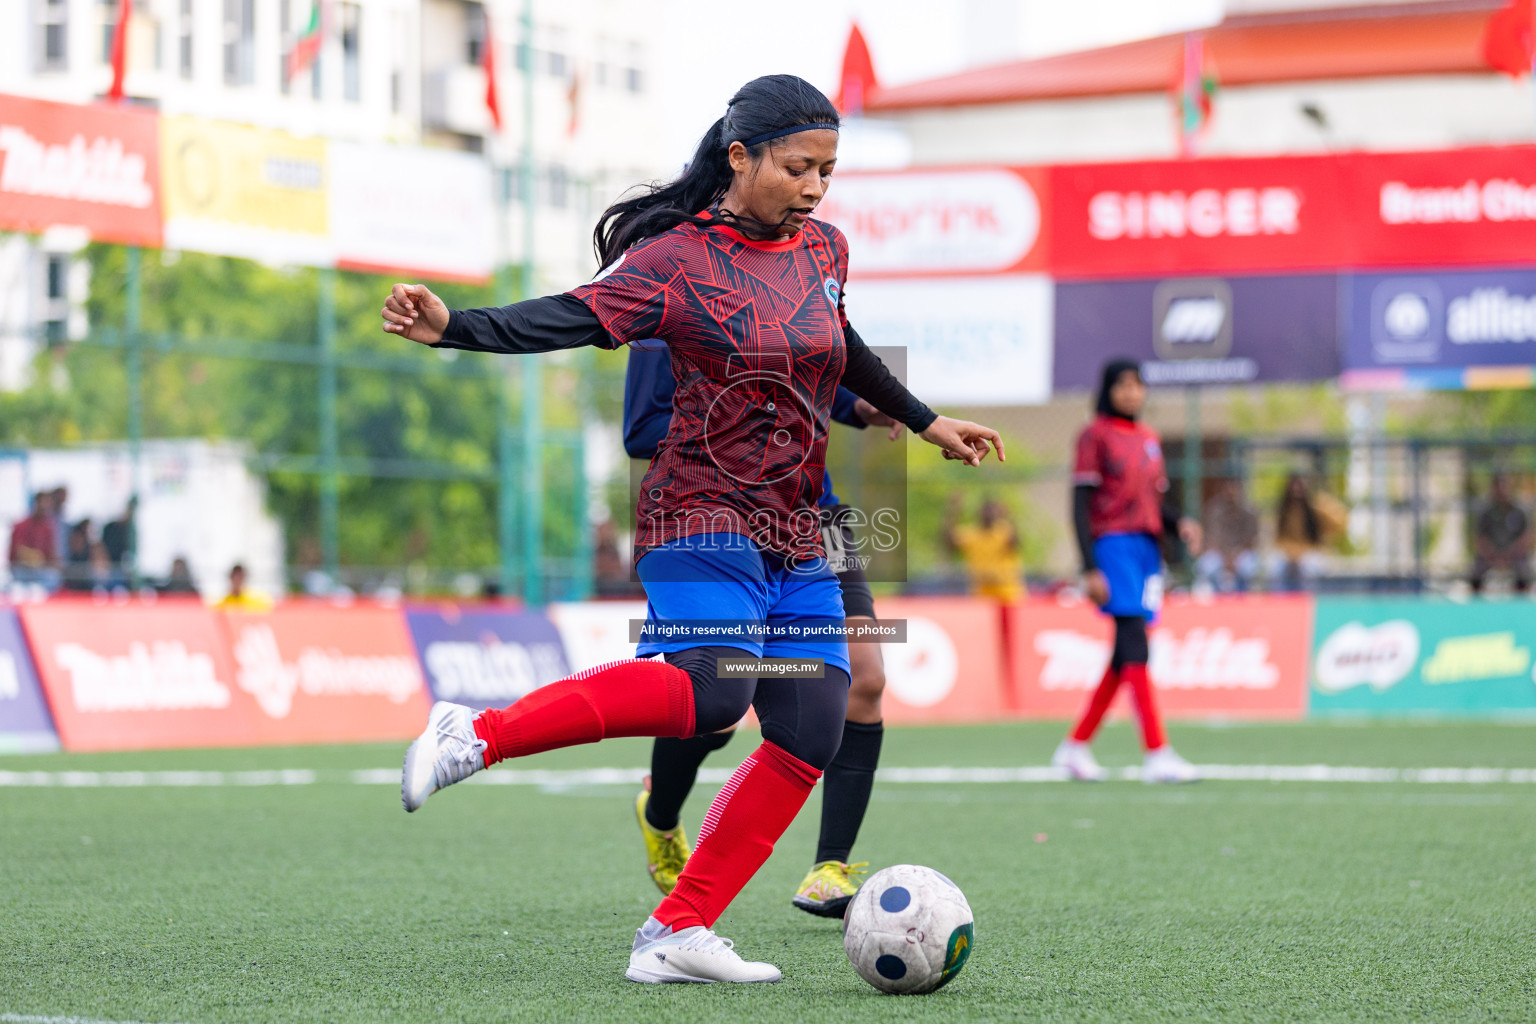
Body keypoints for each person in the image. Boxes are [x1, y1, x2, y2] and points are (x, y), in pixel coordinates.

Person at [382, 75, 1003, 985]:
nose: (817, 187)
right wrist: (453, 329)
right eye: (800, 167)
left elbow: (843, 344)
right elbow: (572, 314)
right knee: (714, 691)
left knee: (811, 724)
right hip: (699, 511)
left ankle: (678, 929)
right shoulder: (674, 260)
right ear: (741, 157)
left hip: (796, 526)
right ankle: (472, 734)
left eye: (828, 170)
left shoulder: (825, 248)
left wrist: (923, 420)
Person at [622, 337, 901, 917]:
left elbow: (815, 375)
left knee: (867, 679)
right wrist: (746, 426)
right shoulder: (669, 304)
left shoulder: (790, 283)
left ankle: (829, 868)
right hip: (723, 522)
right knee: (718, 705)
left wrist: (861, 405)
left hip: (818, 519)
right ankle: (661, 813)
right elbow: (641, 430)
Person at [1052, 359, 1202, 785]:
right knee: (1135, 641)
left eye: (1138, 385)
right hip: (1112, 546)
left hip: (1146, 549)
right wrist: (1088, 566)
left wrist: (1179, 523)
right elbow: (1080, 504)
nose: (1132, 393)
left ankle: (1074, 747)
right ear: (1108, 389)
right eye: (1123, 385)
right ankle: (1157, 753)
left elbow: (1152, 501)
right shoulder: (1094, 435)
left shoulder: (1149, 438)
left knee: (1125, 654)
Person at [1269, 473, 1346, 591]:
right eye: (1294, 486)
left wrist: (1324, 500)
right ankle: (1280, 601)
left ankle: (1307, 599)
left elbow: (1341, 522)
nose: (1296, 490)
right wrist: (1292, 555)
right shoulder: (1282, 510)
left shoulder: (1316, 508)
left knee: (1308, 567)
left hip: (1311, 552)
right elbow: (1278, 539)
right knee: (1275, 566)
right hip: (1288, 554)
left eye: (1300, 486)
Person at [944, 494, 1025, 602]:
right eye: (986, 511)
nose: (988, 515)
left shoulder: (1003, 530)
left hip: (1008, 593)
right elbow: (949, 541)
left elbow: (1016, 543)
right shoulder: (971, 534)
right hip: (982, 594)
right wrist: (953, 511)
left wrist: (1008, 516)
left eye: (992, 512)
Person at [1470, 472, 1532, 594]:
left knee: (1524, 573)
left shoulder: (1519, 510)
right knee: (1476, 573)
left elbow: (1526, 538)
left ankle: (1520, 606)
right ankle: (1476, 607)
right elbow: (1479, 538)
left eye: (1505, 486)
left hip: (1514, 555)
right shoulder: (1486, 511)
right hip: (1490, 555)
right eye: (1499, 486)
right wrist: (1492, 554)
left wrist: (1510, 554)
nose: (1502, 490)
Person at [1195, 479, 1259, 593]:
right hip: (1220, 554)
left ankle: (1245, 596)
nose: (1230, 492)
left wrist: (1234, 557)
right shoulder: (1213, 510)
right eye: (1227, 488)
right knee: (1207, 565)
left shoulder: (1247, 512)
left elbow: (1250, 540)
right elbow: (1211, 539)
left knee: (1249, 566)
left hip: (1239, 554)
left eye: (1234, 489)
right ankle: (1212, 598)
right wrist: (1225, 558)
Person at [7, 492, 57, 589]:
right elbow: (17, 551)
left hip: (40, 571)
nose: (45, 506)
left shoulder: (48, 529)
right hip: (21, 570)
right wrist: (33, 558)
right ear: (36, 503)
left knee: (53, 578)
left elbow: (51, 555)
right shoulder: (21, 525)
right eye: (43, 502)